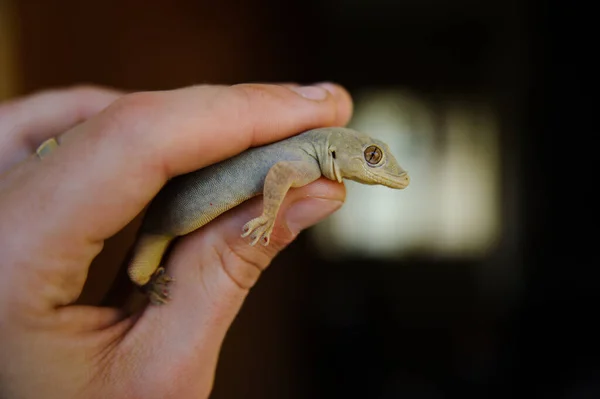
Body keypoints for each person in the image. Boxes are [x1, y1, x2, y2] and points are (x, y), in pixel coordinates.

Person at [0, 82, 353, 398]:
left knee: (140, 273)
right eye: (373, 157)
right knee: (140, 273)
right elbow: (279, 173)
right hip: (159, 225)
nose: (385, 169)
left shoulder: (309, 155)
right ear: (337, 147)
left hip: (162, 221)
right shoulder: (305, 161)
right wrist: (268, 217)